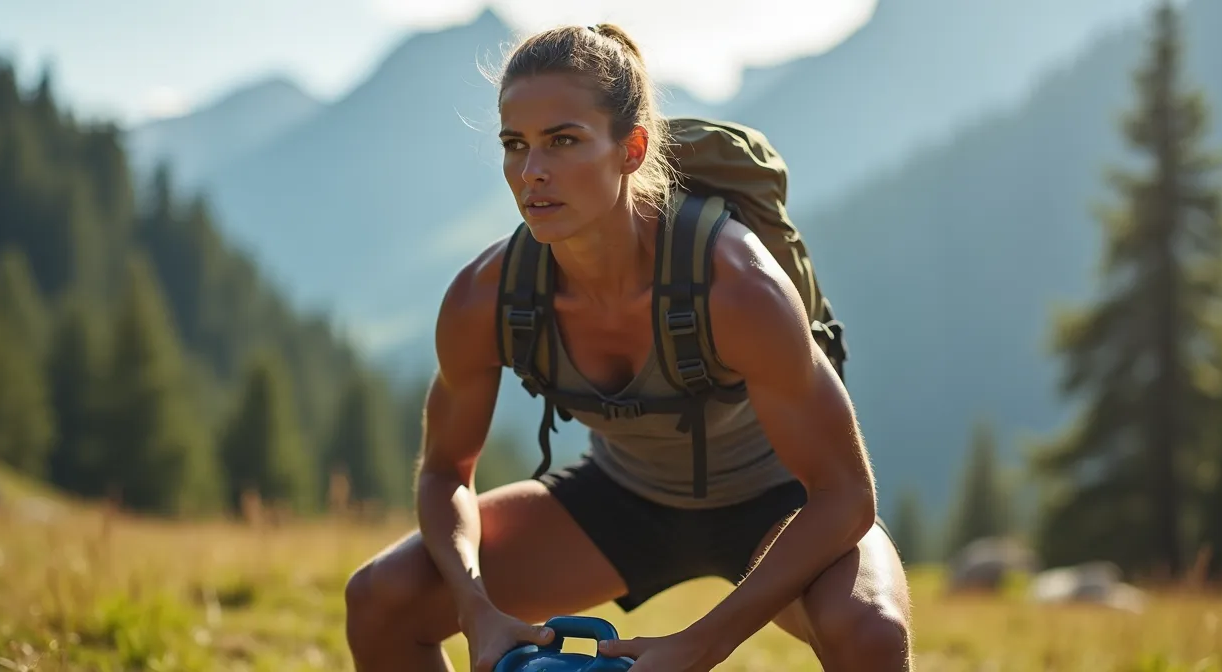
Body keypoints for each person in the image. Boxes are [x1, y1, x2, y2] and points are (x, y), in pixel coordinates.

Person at [344, 22, 913, 672]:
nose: (532, 172)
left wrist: (700, 643)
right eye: (515, 144)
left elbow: (844, 494)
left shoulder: (739, 287)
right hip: (623, 499)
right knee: (381, 598)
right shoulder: (486, 298)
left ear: (631, 149)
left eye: (563, 141)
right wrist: (478, 613)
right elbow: (446, 472)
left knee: (870, 629)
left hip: (780, 503)